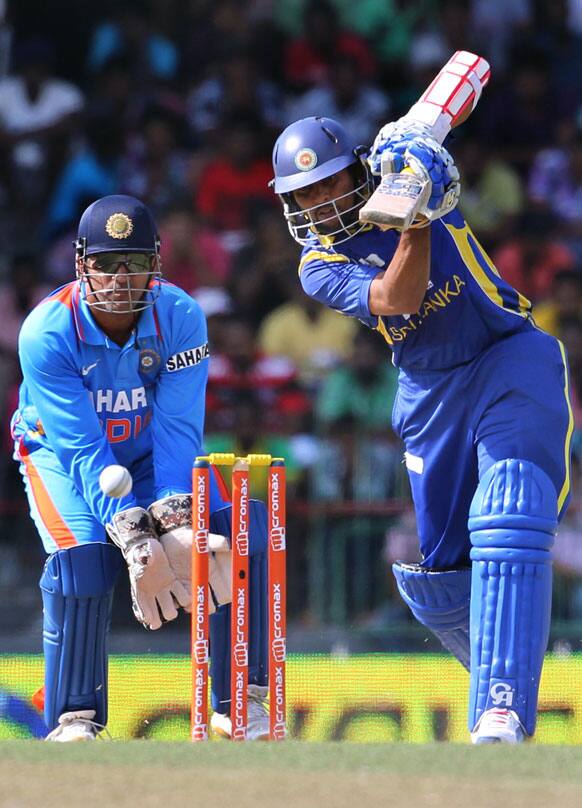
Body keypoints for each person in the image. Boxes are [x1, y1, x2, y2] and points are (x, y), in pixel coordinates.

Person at [270, 116, 573, 743]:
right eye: (304, 195)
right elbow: (398, 300)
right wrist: (414, 220)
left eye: (329, 184)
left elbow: (459, 104)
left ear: (358, 173)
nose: (319, 202)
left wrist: (425, 191)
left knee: (510, 506)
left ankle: (501, 710)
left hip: (504, 354)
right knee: (440, 580)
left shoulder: (413, 176)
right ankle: (503, 676)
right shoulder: (318, 265)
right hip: (428, 392)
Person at [12, 194, 271, 742]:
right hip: (60, 457)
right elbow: (82, 450)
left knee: (239, 531)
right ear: (82, 264)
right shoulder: (46, 332)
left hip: (153, 454)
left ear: (157, 261)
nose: (120, 278)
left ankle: (241, 704)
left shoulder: (180, 316)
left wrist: (176, 522)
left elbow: (178, 429)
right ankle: (74, 719)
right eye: (107, 263)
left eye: (133, 262)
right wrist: (136, 538)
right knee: (82, 558)